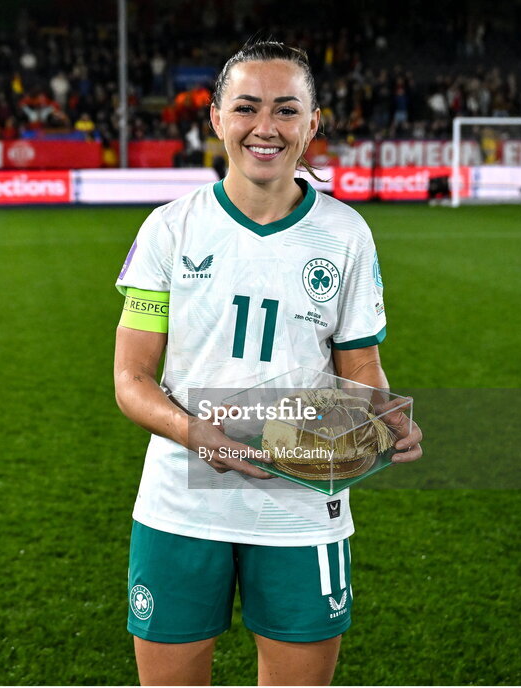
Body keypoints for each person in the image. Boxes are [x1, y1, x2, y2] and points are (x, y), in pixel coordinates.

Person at [113, 40, 422, 686]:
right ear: (215, 118)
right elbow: (131, 379)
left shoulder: (345, 235)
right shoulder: (170, 229)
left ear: (313, 125)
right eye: (247, 107)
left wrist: (386, 416)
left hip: (302, 507)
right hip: (180, 503)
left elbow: (361, 369)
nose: (265, 128)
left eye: (286, 111)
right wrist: (197, 434)